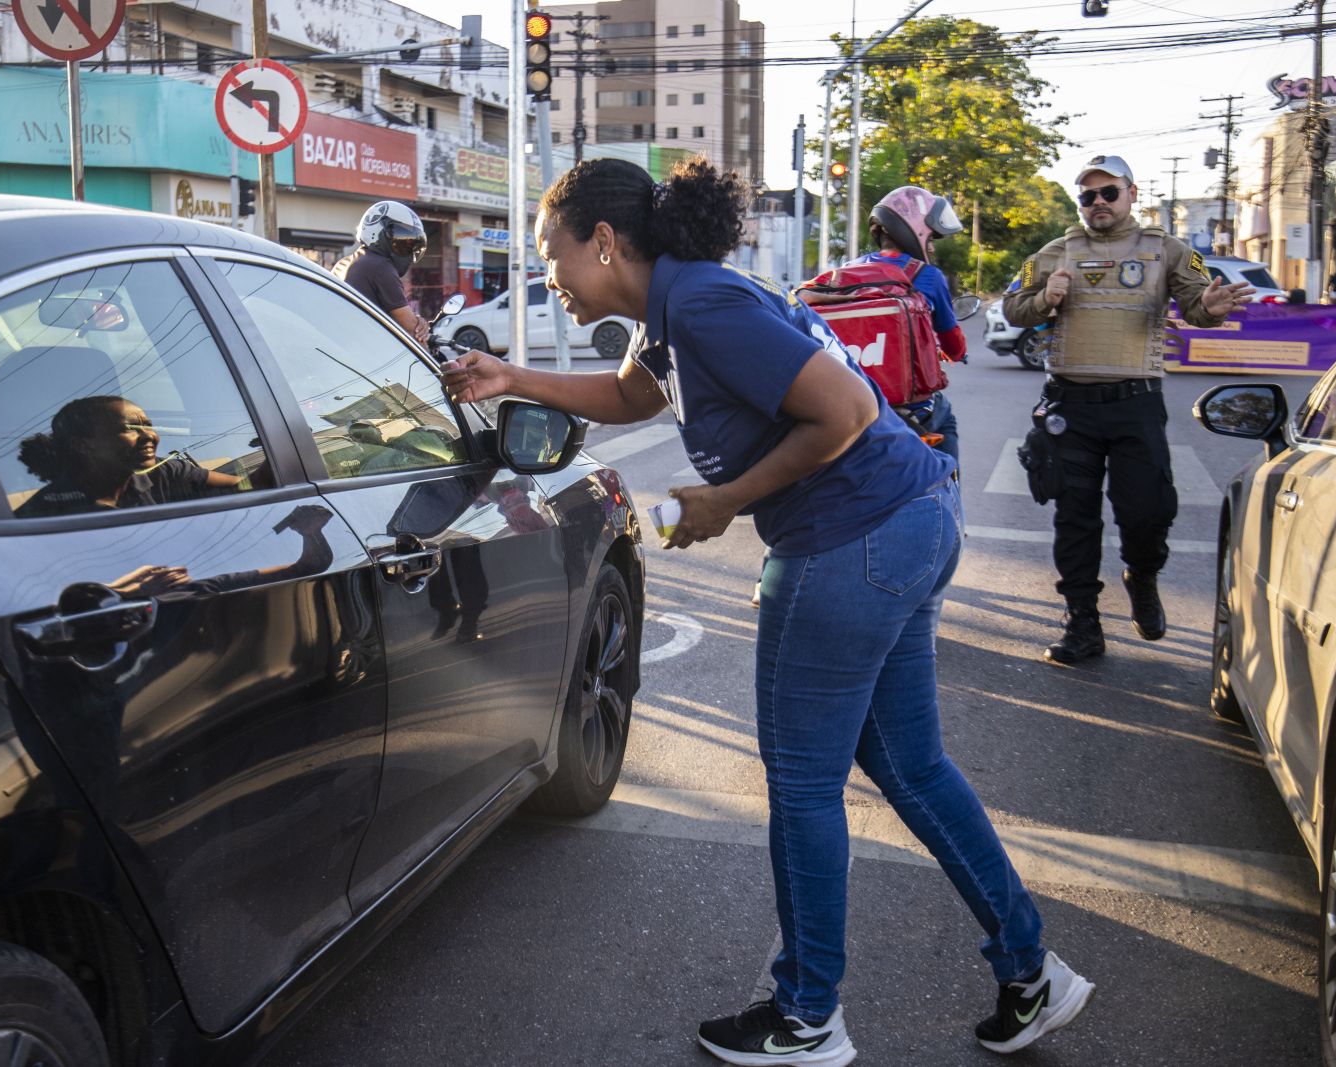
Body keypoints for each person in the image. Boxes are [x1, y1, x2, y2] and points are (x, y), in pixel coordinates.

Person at [442, 156, 1093, 1065]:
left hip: (853, 539)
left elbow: (848, 408)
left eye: (552, 253)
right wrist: (511, 376)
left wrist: (726, 500)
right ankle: (1033, 972)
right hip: (907, 520)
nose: (549, 276)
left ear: (602, 241)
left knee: (801, 780)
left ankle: (807, 1015)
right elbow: (633, 395)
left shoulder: (703, 306)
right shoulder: (679, 310)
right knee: (910, 765)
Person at [1003, 154, 1254, 665]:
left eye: (1108, 192)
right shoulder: (1054, 252)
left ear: (1132, 193)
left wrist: (1210, 307)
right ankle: (1083, 622)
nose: (1098, 203)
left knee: (1147, 511)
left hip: (1136, 404)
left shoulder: (1169, 250)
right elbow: (1014, 305)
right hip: (1069, 406)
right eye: (1088, 195)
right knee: (1075, 519)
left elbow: (1197, 303)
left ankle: (1141, 576)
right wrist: (1043, 300)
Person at [808, 185, 969, 462]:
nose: (931, 245)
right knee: (947, 423)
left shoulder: (844, 272)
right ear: (916, 231)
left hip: (851, 403)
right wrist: (956, 353)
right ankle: (949, 499)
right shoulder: (928, 276)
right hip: (912, 408)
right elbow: (952, 343)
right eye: (931, 237)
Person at [15, 395, 241, 518]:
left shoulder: (166, 473)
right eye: (129, 428)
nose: (149, 436)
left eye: (149, 426)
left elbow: (248, 486)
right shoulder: (44, 513)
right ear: (83, 445)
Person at [333, 200, 431, 344]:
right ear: (377, 231)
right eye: (401, 240)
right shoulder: (380, 267)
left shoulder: (343, 264)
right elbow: (413, 332)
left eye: (411, 244)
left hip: (341, 347)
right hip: (364, 354)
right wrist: (432, 364)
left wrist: (417, 320)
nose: (407, 250)